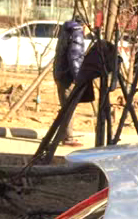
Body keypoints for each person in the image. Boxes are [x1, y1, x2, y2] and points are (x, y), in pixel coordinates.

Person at [54, 18, 86, 147]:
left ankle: (59, 136)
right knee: (69, 108)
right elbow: (75, 57)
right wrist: (79, 78)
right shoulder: (77, 33)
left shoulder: (65, 31)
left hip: (60, 73)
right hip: (68, 76)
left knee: (65, 106)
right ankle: (67, 137)